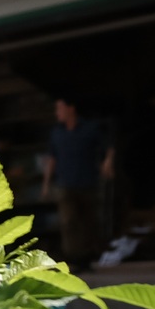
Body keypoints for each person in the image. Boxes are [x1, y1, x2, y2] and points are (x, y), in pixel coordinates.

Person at [41, 95, 115, 269]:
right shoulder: (57, 133)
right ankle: (74, 257)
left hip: (87, 182)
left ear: (70, 109)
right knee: (69, 222)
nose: (57, 113)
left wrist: (108, 162)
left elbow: (108, 147)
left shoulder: (89, 129)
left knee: (88, 221)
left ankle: (88, 257)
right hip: (65, 184)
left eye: (59, 109)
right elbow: (52, 159)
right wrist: (46, 184)